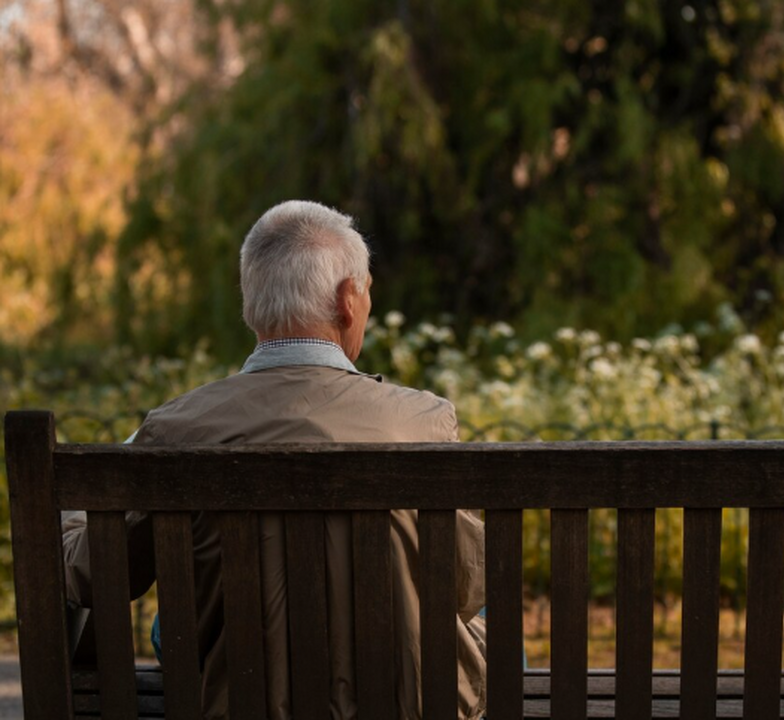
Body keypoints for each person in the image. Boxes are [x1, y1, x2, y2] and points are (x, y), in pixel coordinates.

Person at [59, 200, 487, 720]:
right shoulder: (424, 422)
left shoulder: (177, 429)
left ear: (250, 305)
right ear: (349, 301)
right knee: (481, 615)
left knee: (168, 624)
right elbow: (466, 587)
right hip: (406, 703)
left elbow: (94, 575)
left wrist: (83, 504)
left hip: (236, 699)